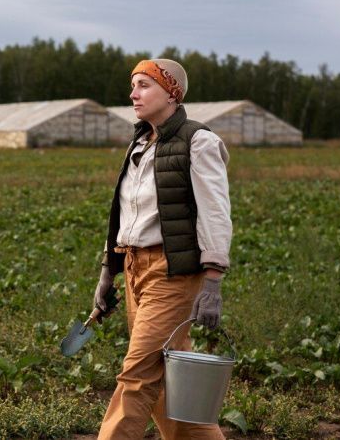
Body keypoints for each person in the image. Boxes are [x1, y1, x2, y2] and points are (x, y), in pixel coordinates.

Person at [93, 58, 232, 440]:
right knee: (168, 383)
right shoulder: (139, 142)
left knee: (137, 374)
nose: (132, 94)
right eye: (132, 85)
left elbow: (215, 214)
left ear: (171, 92)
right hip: (137, 269)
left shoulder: (198, 141)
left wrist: (213, 281)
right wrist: (110, 271)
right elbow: (125, 214)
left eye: (143, 85)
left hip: (172, 275)